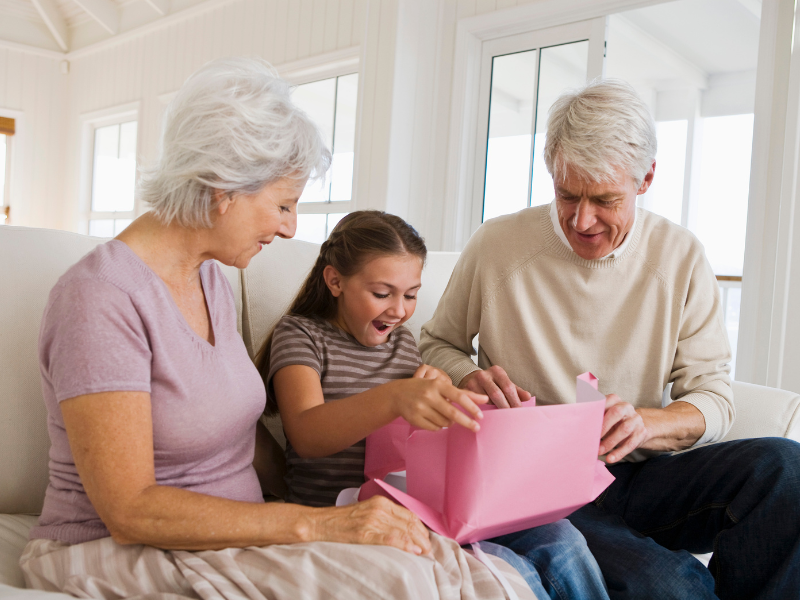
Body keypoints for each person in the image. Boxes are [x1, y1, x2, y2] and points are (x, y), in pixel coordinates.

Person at [20, 57, 539, 600]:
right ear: (224, 188)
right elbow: (128, 510)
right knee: (411, 583)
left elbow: (242, 439)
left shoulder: (211, 281)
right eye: (284, 204)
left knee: (477, 575)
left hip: (235, 534)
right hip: (112, 549)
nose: (290, 228)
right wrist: (315, 526)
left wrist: (335, 512)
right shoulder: (100, 298)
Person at [419, 79, 800, 600]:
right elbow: (437, 343)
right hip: (535, 486)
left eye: (604, 200)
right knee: (673, 587)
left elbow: (713, 398)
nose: (581, 220)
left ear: (645, 180)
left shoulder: (681, 256)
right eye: (566, 195)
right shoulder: (497, 245)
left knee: (786, 469)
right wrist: (469, 375)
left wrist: (647, 424)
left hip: (640, 475)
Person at [261, 209, 611, 600]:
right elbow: (307, 433)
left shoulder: (402, 342)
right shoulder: (300, 335)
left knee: (563, 540)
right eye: (382, 293)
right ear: (335, 281)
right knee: (512, 572)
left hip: (425, 503)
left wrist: (449, 397)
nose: (399, 310)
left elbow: (425, 437)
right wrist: (395, 398)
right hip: (344, 515)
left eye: (411, 295)